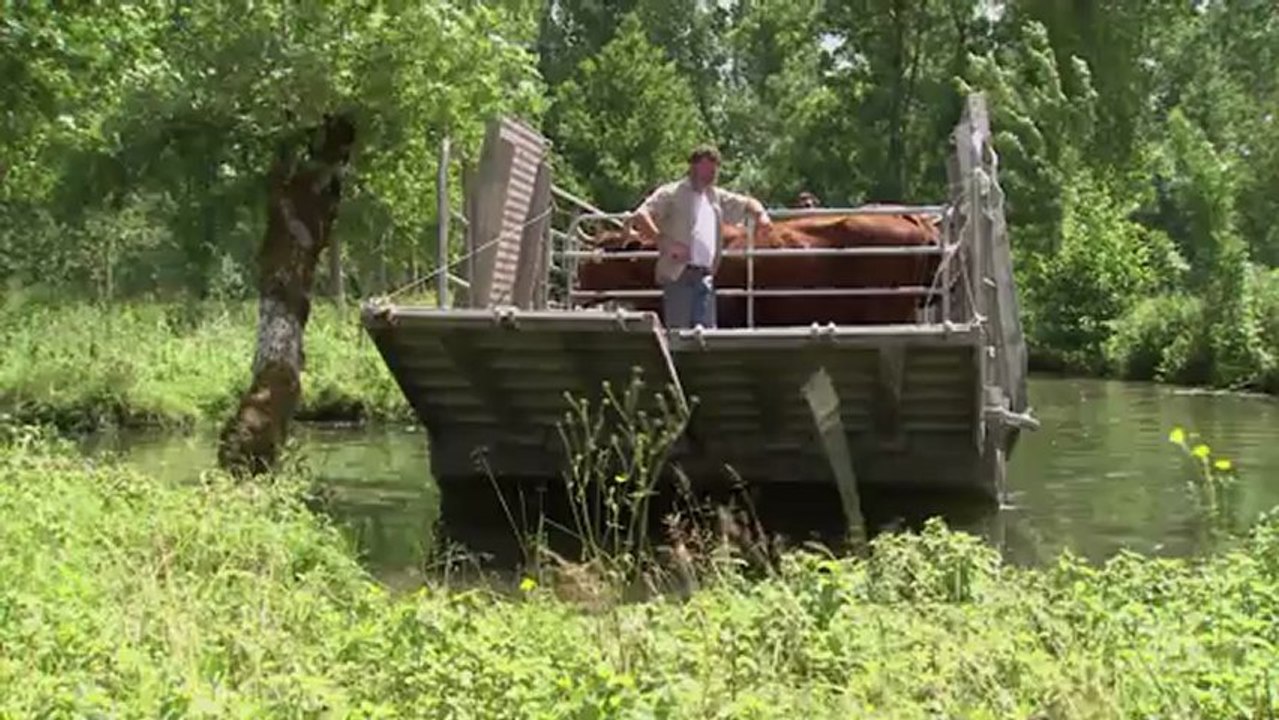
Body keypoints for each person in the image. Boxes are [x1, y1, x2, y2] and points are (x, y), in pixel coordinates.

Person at [626, 145, 772, 329]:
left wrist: (762, 216)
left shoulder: (715, 196)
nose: (712, 174)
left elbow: (748, 202)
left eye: (714, 170)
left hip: (706, 276)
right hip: (679, 274)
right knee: (679, 333)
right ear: (693, 167)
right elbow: (641, 216)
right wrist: (666, 244)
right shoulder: (671, 193)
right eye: (707, 169)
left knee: (707, 335)